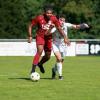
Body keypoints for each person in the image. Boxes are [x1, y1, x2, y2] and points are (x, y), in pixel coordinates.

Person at [28, 6, 70, 74]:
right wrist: (30, 36)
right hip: (40, 37)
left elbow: (59, 28)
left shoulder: (54, 19)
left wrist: (65, 37)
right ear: (44, 13)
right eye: (47, 13)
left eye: (50, 13)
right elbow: (30, 25)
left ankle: (40, 64)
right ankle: (33, 70)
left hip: (48, 38)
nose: (49, 14)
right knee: (40, 51)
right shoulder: (39, 17)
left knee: (48, 56)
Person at [49, 15, 90, 80]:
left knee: (60, 61)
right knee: (59, 58)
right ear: (58, 20)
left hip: (63, 45)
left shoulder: (66, 25)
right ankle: (60, 76)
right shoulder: (54, 27)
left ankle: (54, 70)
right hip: (55, 44)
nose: (62, 22)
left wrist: (83, 25)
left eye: (63, 20)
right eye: (61, 20)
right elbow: (47, 33)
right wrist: (50, 28)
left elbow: (76, 26)